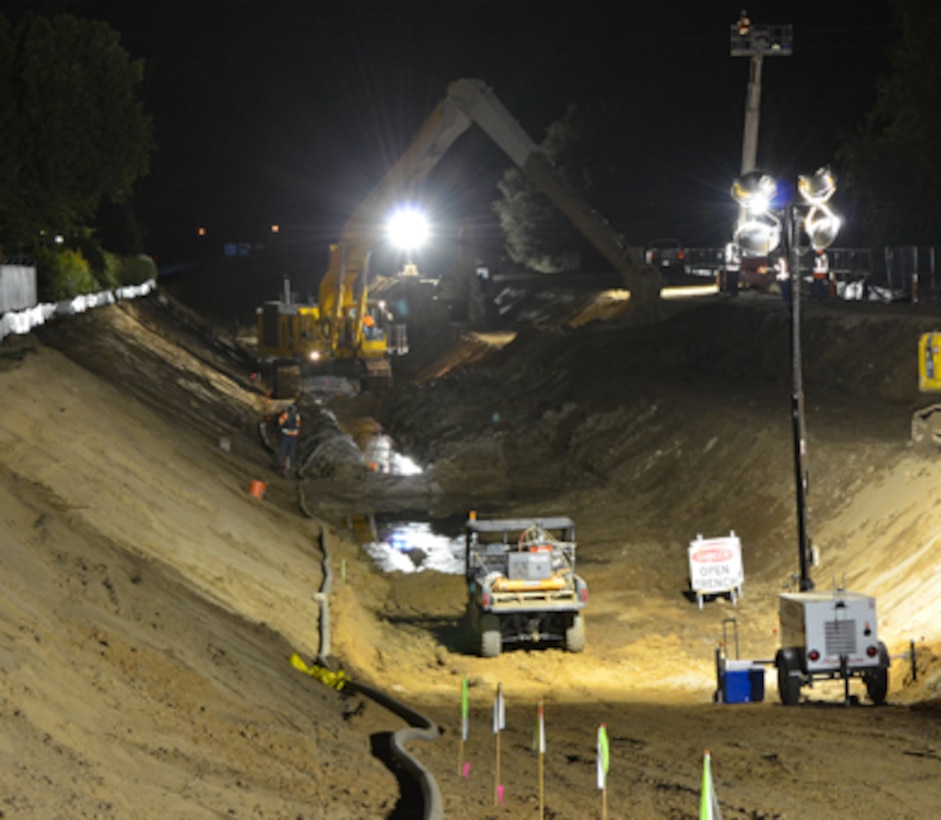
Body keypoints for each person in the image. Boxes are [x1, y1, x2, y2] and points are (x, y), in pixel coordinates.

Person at [277, 403, 301, 475]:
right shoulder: (297, 416)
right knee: (291, 451)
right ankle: (290, 465)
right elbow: (298, 425)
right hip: (294, 435)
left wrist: (282, 427)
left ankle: (280, 462)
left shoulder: (285, 414)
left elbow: (280, 422)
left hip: (286, 434)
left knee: (283, 449)